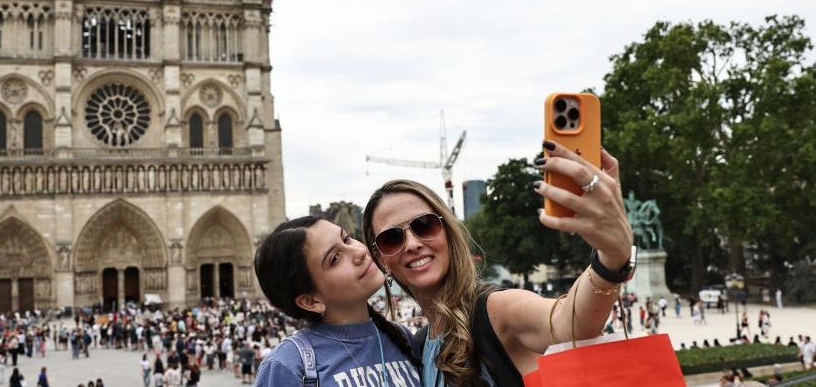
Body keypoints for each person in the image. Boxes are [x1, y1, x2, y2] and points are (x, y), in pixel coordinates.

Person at [363, 141, 634, 386]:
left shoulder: (494, 309)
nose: (412, 244)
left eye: (424, 225)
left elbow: (569, 324)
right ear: (381, 260)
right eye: (391, 239)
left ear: (448, 233)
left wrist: (611, 257)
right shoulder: (420, 344)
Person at [253, 216, 421, 387]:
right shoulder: (287, 366)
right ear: (310, 301)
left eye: (346, 239)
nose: (359, 252)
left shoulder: (402, 338)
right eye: (335, 258)